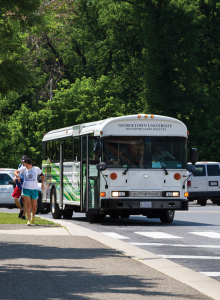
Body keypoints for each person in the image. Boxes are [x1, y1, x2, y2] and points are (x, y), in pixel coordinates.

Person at [14, 158, 45, 226]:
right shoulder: (24, 169)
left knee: (34, 207)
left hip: (34, 189)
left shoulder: (36, 169)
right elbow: (15, 171)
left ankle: (33, 216)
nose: (26, 167)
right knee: (28, 204)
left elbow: (42, 176)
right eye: (25, 165)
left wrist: (43, 185)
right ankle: (28, 220)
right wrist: (17, 175)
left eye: (27, 165)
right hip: (26, 189)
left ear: (30, 164)